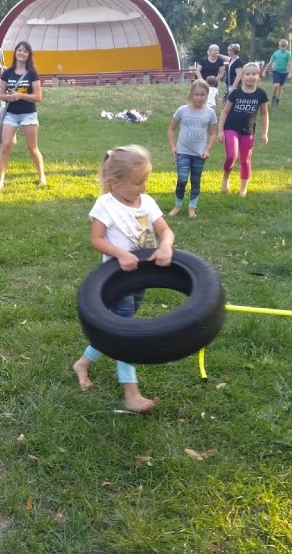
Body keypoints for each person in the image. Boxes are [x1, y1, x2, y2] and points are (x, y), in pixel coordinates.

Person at [72, 145, 174, 413]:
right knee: (126, 330)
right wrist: (119, 253)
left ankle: (83, 363)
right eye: (138, 182)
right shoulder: (106, 205)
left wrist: (165, 247)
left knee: (115, 328)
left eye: (145, 181)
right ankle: (131, 393)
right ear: (115, 182)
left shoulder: (147, 202)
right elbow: (96, 240)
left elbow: (166, 231)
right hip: (117, 279)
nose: (143, 187)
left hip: (142, 278)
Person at [0, 41, 45, 191]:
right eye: (19, 50)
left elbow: (38, 97)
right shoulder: (7, 73)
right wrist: (7, 97)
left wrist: (20, 96)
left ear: (29, 55)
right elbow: (1, 95)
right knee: (5, 146)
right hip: (10, 114)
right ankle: (0, 181)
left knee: (32, 148)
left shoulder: (32, 74)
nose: (22, 53)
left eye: (25, 51)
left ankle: (42, 176)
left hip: (28, 114)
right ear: (15, 53)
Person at [166, 79, 219, 219]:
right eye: (196, 94)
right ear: (191, 94)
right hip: (183, 151)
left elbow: (213, 133)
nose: (199, 97)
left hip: (199, 154)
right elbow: (171, 129)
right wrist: (172, 146)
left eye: (202, 95)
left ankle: (192, 208)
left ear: (207, 96)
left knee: (195, 180)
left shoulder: (210, 113)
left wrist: (207, 149)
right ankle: (177, 205)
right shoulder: (182, 110)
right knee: (182, 178)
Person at [218, 62, 269, 197]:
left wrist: (264, 133)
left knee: (245, 159)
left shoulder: (261, 94)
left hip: (248, 131)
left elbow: (264, 114)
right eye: (247, 74)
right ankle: (225, 179)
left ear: (258, 76)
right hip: (231, 129)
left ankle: (243, 189)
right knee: (231, 156)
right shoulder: (235, 93)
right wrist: (220, 130)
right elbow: (224, 112)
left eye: (254, 74)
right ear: (242, 76)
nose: (250, 77)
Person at [262, 39, 292, 106]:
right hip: (276, 71)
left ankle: (277, 99)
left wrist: (290, 73)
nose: (283, 48)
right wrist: (264, 71)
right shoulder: (276, 53)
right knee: (276, 85)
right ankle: (273, 97)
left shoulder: (288, 54)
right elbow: (270, 63)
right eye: (281, 46)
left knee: (280, 87)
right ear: (279, 46)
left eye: (284, 47)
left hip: (284, 72)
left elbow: (290, 64)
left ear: (286, 47)